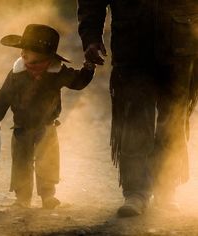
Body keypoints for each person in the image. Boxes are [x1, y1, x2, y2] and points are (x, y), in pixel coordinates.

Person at [78, 0, 198, 216]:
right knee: (133, 120)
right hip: (132, 48)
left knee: (172, 121)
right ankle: (135, 192)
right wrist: (91, 37)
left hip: (181, 46)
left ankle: (165, 188)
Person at [0, 24, 95, 209]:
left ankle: (47, 196)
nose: (22, 54)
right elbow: (3, 97)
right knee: (21, 163)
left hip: (47, 126)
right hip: (21, 127)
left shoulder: (57, 72)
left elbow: (77, 82)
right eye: (22, 50)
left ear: (44, 55)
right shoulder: (16, 73)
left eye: (28, 50)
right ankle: (22, 199)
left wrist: (89, 68)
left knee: (48, 162)